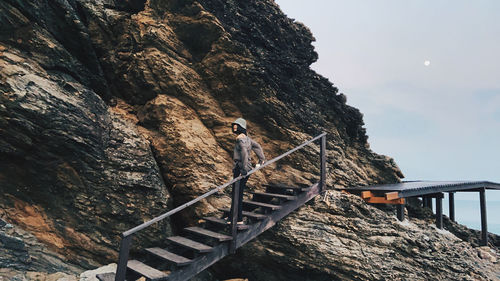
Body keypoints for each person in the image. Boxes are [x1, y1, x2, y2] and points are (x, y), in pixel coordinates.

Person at [229, 118, 266, 224]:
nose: (234, 126)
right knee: (237, 192)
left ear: (241, 127)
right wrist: (261, 159)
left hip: (241, 168)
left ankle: (238, 219)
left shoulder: (240, 138)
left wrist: (243, 169)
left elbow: (244, 152)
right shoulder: (247, 138)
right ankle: (233, 216)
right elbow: (257, 146)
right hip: (244, 167)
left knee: (237, 193)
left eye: (237, 125)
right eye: (234, 125)